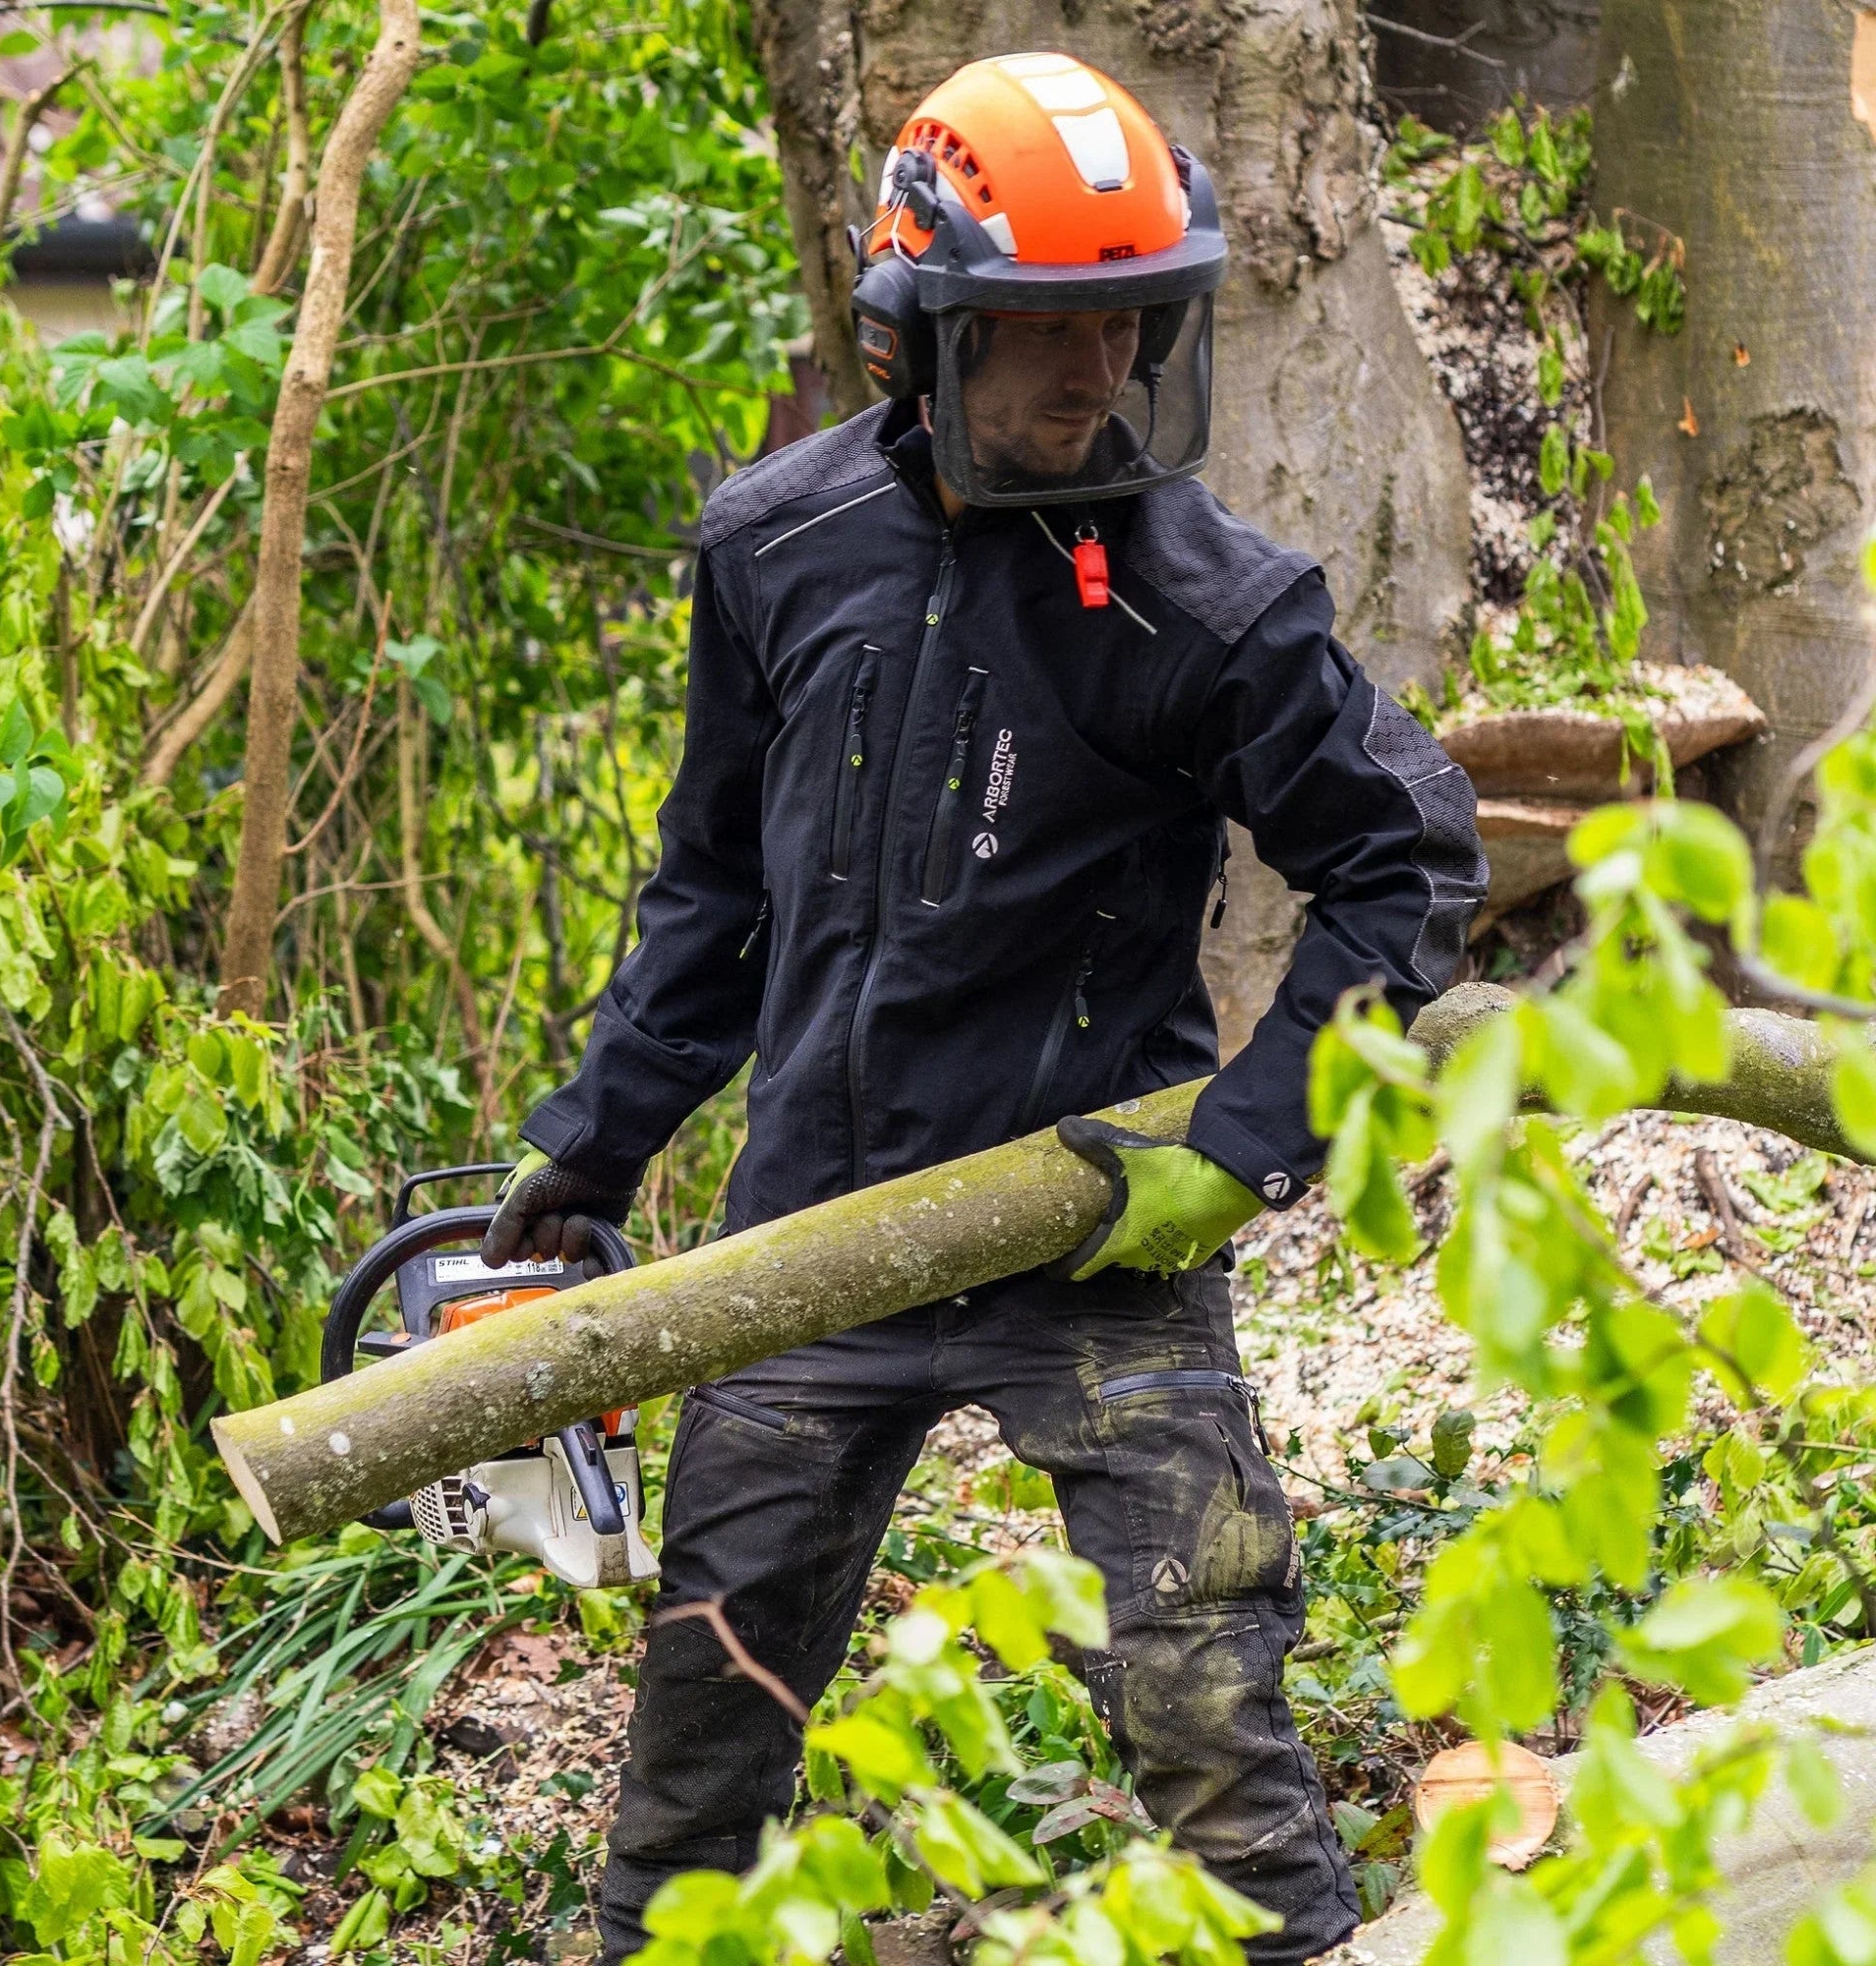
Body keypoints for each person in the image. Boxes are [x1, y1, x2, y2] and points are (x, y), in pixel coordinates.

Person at [484, 51, 1487, 1966]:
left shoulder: (1211, 602)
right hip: (817, 1221)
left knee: (1210, 1713)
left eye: (1127, 327)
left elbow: (1403, 861)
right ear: (911, 334)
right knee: (703, 1738)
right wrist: (598, 1136)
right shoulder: (771, 546)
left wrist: (1243, 1148)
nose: (1091, 372)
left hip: (1093, 1217)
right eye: (1042, 333)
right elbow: (712, 885)